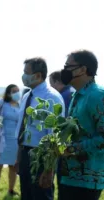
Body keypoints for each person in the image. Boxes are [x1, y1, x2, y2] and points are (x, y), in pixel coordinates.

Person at [14, 57, 65, 200]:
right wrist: (19, 157)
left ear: (37, 75)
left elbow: (54, 136)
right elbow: (23, 129)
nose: (23, 76)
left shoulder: (52, 98)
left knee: (41, 195)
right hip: (25, 154)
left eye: (26, 72)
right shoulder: (27, 96)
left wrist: (49, 169)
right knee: (27, 195)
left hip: (41, 156)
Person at [58, 50, 104, 200]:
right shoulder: (77, 95)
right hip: (69, 175)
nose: (64, 70)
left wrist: (73, 148)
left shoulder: (98, 96)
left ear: (83, 69)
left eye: (68, 66)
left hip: (88, 179)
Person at [0, 84, 21, 198]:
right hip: (2, 139)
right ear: (8, 93)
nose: (17, 93)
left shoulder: (20, 105)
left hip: (15, 141)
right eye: (14, 91)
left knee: (13, 166)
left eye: (18, 91)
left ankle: (11, 189)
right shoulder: (2, 103)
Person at [49, 70, 76, 198]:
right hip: (74, 148)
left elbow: (59, 123)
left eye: (51, 84)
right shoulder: (72, 92)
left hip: (65, 147)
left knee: (62, 185)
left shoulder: (63, 96)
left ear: (56, 82)